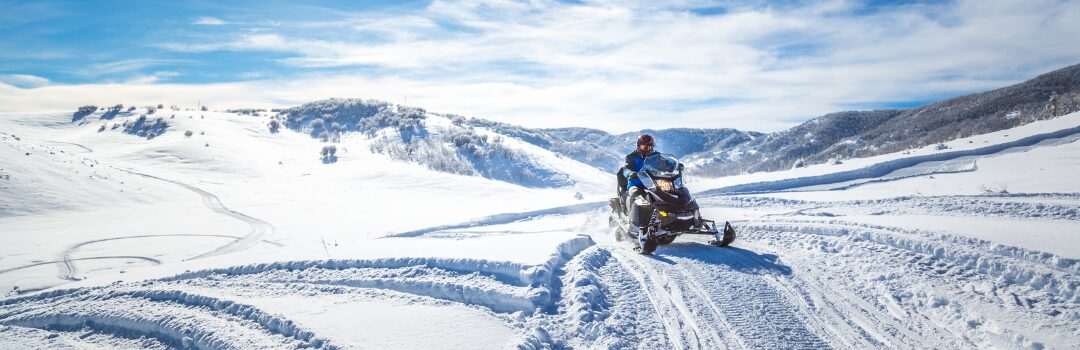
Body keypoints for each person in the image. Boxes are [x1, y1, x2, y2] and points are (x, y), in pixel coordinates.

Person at [617, 134, 657, 236]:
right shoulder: (631, 157)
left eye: (650, 147)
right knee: (636, 197)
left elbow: (665, 163)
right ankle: (634, 223)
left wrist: (675, 167)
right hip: (637, 184)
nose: (648, 149)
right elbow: (625, 169)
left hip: (653, 184)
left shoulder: (656, 156)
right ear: (639, 146)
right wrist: (630, 173)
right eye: (645, 147)